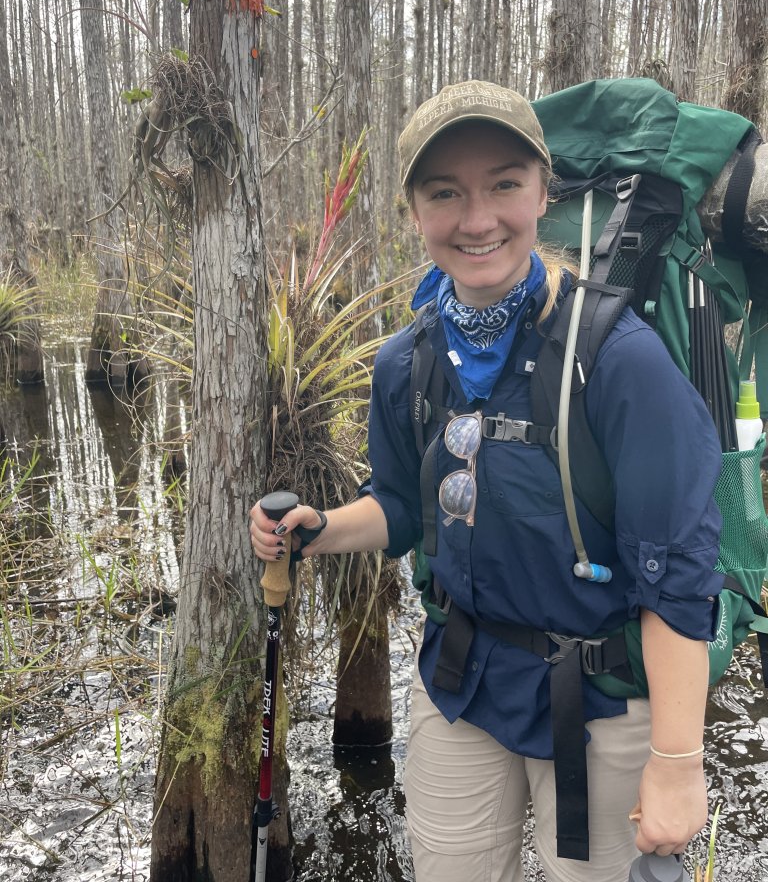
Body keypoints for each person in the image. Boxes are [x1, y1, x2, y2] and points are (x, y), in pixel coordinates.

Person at [250, 80, 724, 882]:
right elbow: (403, 507)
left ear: (545, 192)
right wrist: (322, 528)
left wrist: (677, 762)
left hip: (602, 698)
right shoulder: (407, 360)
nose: (478, 220)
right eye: (446, 194)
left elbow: (676, 577)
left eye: (504, 184)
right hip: (462, 684)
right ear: (414, 213)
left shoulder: (617, 358)